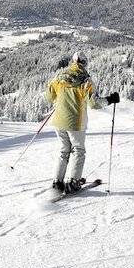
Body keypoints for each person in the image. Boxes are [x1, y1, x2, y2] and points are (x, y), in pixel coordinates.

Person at [45, 51, 119, 194]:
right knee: (78, 151)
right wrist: (110, 99)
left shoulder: (59, 77)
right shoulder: (85, 81)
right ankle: (73, 182)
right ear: (85, 63)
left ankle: (57, 182)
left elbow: (49, 97)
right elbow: (94, 104)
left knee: (63, 150)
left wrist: (61, 100)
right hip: (75, 123)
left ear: (72, 61)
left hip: (58, 120)